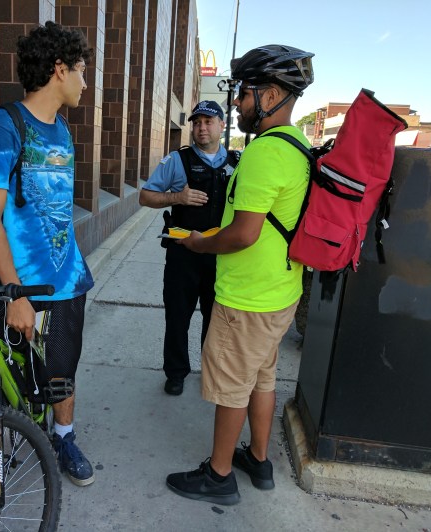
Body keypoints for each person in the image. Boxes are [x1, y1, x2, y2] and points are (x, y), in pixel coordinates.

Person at [0, 22, 96, 526]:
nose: (85, 83)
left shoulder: (63, 130)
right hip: (13, 286)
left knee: (61, 370)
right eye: (81, 71)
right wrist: (12, 294)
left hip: (66, 280)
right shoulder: (3, 127)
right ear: (59, 70)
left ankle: (62, 437)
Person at [165, 44, 315, 505]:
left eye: (243, 94)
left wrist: (200, 242)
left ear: (270, 94)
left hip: (248, 297)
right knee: (261, 378)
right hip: (280, 290)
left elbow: (244, 234)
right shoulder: (298, 146)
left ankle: (219, 473)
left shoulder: (265, 153)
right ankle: (259, 459)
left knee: (232, 385)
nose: (236, 103)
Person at [139, 100, 240, 396]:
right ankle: (176, 373)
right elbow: (145, 197)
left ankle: (210, 373)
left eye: (209, 122)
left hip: (219, 255)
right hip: (183, 253)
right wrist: (177, 198)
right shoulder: (176, 161)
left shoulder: (237, 162)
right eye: (197, 123)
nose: (201, 127)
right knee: (178, 317)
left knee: (216, 320)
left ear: (222, 125)